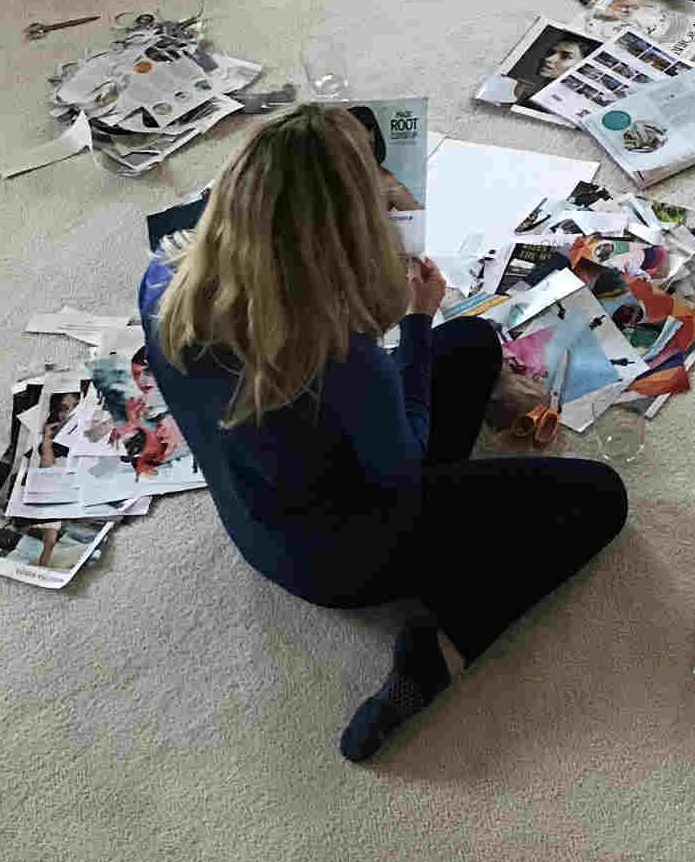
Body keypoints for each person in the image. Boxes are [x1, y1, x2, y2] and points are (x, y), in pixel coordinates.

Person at [139, 104, 626, 762]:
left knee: (477, 339)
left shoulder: (161, 282)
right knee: (600, 497)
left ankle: (449, 538)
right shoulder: (339, 354)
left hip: (258, 520)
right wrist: (417, 322)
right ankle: (437, 650)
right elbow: (406, 463)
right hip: (344, 557)